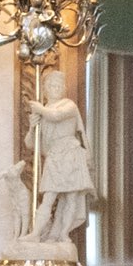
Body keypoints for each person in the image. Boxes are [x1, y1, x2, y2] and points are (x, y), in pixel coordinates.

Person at [26, 69, 92, 246]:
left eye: (58, 85)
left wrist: (40, 109)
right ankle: (36, 233)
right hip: (54, 157)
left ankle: (63, 234)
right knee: (49, 196)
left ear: (63, 89)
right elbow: (31, 145)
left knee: (71, 197)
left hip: (70, 154)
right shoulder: (44, 111)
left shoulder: (68, 105)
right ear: (45, 89)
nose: (55, 88)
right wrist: (32, 128)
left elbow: (56, 116)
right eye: (51, 85)